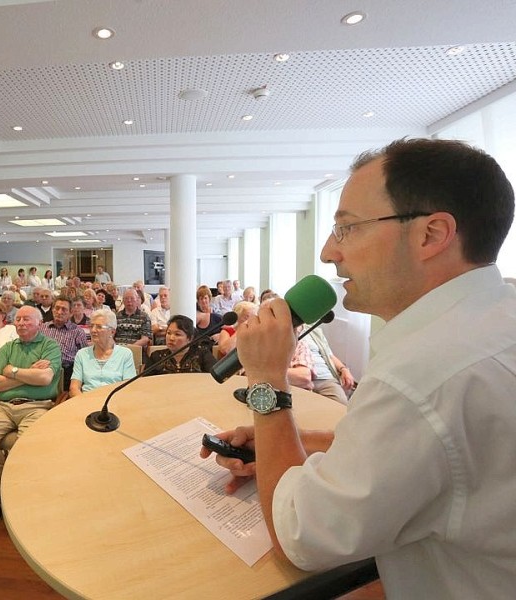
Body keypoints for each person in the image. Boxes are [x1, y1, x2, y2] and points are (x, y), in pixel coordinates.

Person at [202, 138, 516, 597]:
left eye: (347, 228)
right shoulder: (498, 315)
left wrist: (267, 384)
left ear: (431, 234)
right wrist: (300, 443)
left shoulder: (418, 379)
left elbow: (299, 538)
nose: (329, 251)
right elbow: (442, 457)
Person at [0, 306, 61, 523]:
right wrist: (29, 373)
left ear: (39, 323)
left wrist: (13, 371)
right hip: (3, 407)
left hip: (37, 406)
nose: (20, 323)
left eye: (26, 319)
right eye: (17, 319)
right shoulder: (8, 348)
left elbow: (46, 379)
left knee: (24, 448)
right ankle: (6, 489)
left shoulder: (50, 346)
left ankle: (2, 496)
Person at [69, 309, 135, 397]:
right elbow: (74, 388)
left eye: (99, 327)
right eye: (91, 326)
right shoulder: (82, 354)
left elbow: (129, 388)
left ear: (112, 331)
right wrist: (84, 404)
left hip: (114, 404)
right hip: (86, 403)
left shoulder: (125, 354)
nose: (93, 330)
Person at [39, 296, 89, 390]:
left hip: (67, 372)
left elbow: (84, 357)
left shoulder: (77, 332)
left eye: (64, 309)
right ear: (52, 310)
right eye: (57, 308)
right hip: (43, 370)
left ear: (70, 313)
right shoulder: (42, 328)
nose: (59, 312)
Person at [146, 315, 216, 374]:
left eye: (177, 334)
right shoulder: (157, 356)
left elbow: (215, 377)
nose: (171, 338)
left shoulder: (202, 354)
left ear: (189, 338)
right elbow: (146, 381)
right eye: (169, 333)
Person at [302, 327, 355, 405]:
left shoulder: (312, 330)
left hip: (325, 378)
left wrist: (344, 369)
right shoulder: (283, 331)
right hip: (299, 379)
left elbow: (329, 355)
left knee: (340, 405)